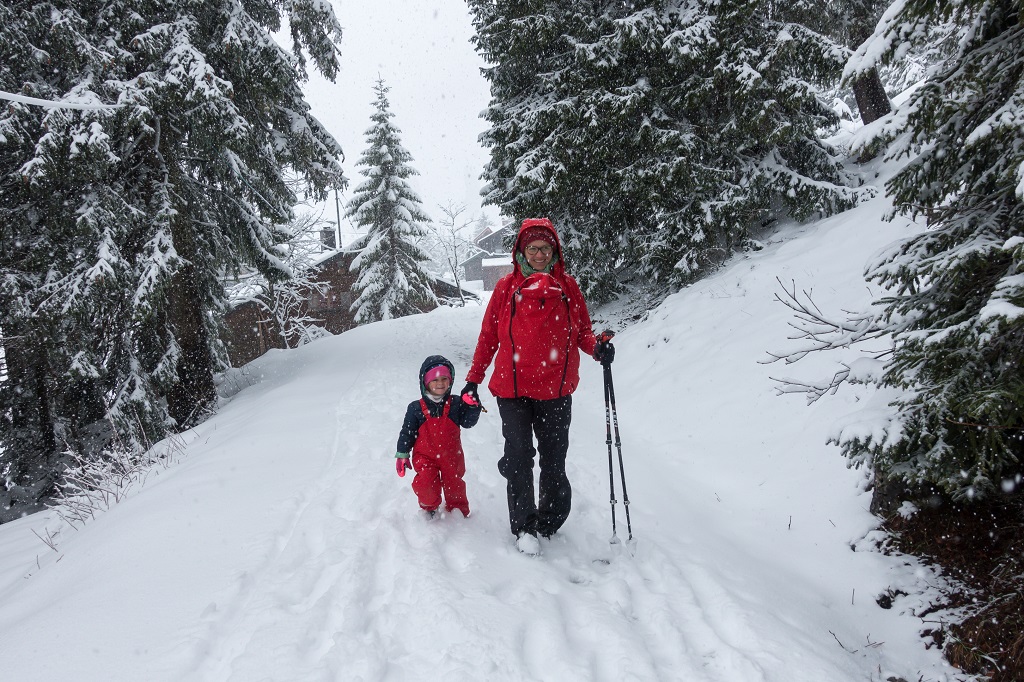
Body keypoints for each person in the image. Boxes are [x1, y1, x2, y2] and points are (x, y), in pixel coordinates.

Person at [462, 218, 614, 555]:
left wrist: (597, 348)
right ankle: (524, 527)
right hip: (512, 390)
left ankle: (551, 518)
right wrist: (473, 379)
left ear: (555, 250)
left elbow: (582, 333)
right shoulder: (505, 288)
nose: (539, 253)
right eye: (533, 248)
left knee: (554, 459)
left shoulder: (569, 287)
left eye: (545, 248)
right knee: (519, 457)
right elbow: (488, 337)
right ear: (521, 251)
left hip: (556, 391)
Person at [396, 355, 482, 517]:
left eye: (444, 378)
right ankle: (429, 507)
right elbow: (407, 432)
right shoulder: (415, 408)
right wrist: (402, 453)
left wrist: (472, 407)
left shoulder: (456, 403)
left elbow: (468, 423)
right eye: (435, 380)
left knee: (455, 485)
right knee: (426, 484)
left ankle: (457, 513)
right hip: (425, 457)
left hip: (452, 456)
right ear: (425, 382)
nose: (440, 383)